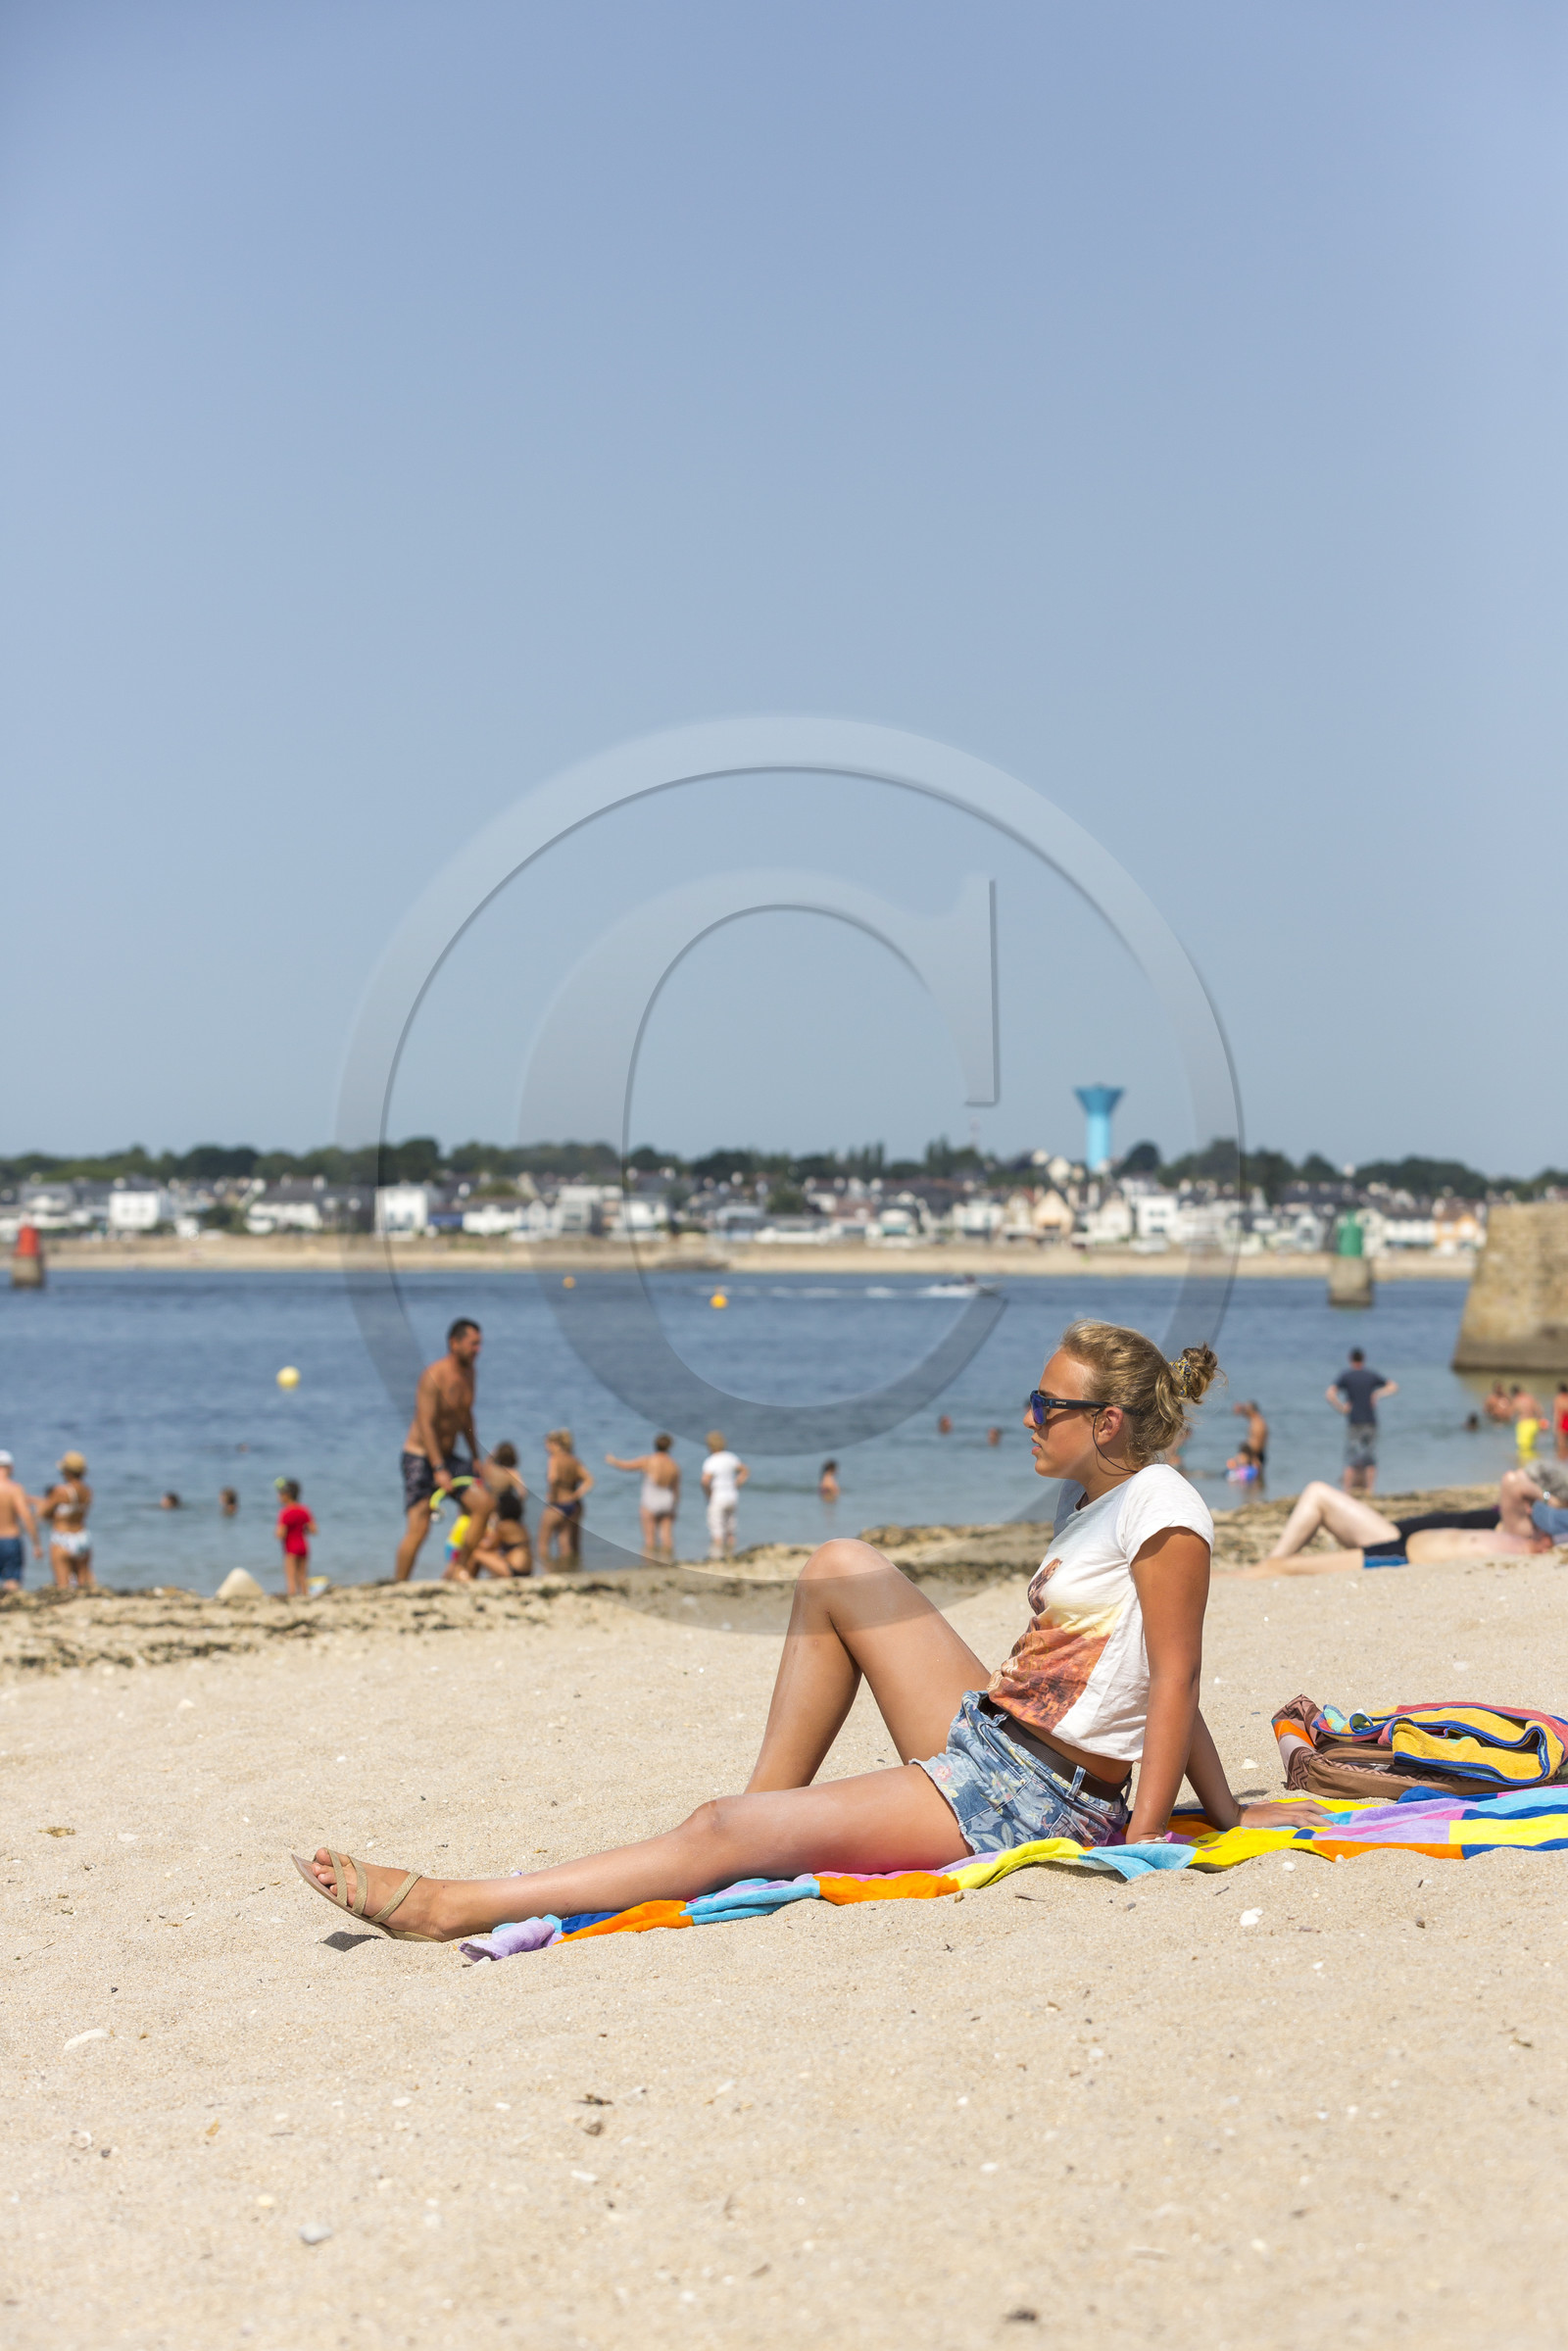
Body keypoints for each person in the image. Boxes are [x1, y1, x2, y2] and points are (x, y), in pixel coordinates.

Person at [293, 1317, 1311, 1944]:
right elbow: (1142, 1674)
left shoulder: (1164, 1504)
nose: (1029, 1413)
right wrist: (1219, 1808)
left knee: (717, 1827)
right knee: (839, 1567)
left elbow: (1177, 1678)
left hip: (1037, 1795)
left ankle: (461, 1902)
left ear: (1107, 1423)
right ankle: (753, 1825)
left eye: (1048, 1402)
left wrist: (1148, 1843)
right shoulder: (1091, 1502)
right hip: (997, 1742)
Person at [1239, 1466, 1551, 1576]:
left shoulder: (1521, 1529)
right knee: (1317, 1494)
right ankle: (1270, 1565)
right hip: (1394, 1533)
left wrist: (1553, 1496)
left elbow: (1513, 1481)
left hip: (1394, 1542)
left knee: (1318, 1493)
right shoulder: (1517, 1522)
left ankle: (1268, 1566)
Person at [395, 1319, 483, 1582]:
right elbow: (425, 1424)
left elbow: (466, 1417)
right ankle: (399, 1585)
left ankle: (459, 1569)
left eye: (480, 1344)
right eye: (473, 1343)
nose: (478, 1349)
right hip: (421, 1457)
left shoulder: (470, 1374)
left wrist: (475, 1457)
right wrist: (439, 1468)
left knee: (484, 1505)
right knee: (419, 1526)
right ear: (454, 1343)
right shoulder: (434, 1375)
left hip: (448, 1458)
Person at [1328, 1347, 1396, 1494]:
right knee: (1370, 1456)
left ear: (1350, 1359)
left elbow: (1329, 1394)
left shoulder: (1346, 1376)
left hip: (1354, 1422)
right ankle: (1370, 1490)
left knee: (1351, 1457)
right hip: (1370, 1422)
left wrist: (1341, 1408)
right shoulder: (1371, 1375)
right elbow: (1393, 1386)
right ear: (1363, 1359)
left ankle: (1346, 1490)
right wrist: (1378, 1393)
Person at [604, 1434, 680, 1560]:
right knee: (667, 1537)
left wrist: (613, 1461)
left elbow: (627, 1466)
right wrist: (674, 1507)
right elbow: (676, 1490)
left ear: (655, 1445)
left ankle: (649, 1564)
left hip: (651, 1500)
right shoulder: (673, 1465)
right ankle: (669, 1563)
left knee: (650, 1539)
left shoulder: (648, 1461)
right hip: (667, 1500)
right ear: (670, 1447)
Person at [38, 1452, 94, 1592]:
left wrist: (40, 1503)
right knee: (82, 1582)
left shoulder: (61, 1491)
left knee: (63, 1585)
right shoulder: (87, 1491)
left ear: (67, 1471)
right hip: (82, 1536)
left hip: (63, 1537)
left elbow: (43, 1514)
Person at [539, 1431, 592, 1567]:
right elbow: (589, 1480)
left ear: (554, 1444)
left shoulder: (554, 1459)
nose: (546, 1448)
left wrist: (552, 1495)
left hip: (558, 1504)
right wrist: (576, 1494)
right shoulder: (573, 1460)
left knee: (543, 1543)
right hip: (573, 1505)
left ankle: (547, 1571)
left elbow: (553, 1478)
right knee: (565, 1542)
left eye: (547, 1444)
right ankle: (569, 1570)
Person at [702, 1432, 748, 1558]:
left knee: (717, 1530)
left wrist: (708, 1494)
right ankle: (731, 1555)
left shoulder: (711, 1461)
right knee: (731, 1529)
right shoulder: (730, 1457)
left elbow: (705, 1480)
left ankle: (718, 1556)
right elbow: (744, 1470)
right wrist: (737, 1483)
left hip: (718, 1497)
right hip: (732, 1496)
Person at [0, 1452, 41, 1590]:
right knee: (12, 1582)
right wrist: (36, 1544)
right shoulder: (14, 1489)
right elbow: (26, 1516)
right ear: (10, 1467)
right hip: (10, 1540)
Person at [274, 1479, 316, 1599]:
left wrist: (280, 1532)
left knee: (291, 1576)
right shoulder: (304, 1510)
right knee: (303, 1576)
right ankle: (305, 1595)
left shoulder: (285, 1512)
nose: (278, 1497)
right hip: (303, 1546)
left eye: (280, 1494)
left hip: (291, 1548)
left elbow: (280, 1533)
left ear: (287, 1495)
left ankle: (292, 1597)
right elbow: (313, 1530)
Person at [1232, 1399, 1268, 1470]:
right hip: (1255, 1454)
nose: (1246, 1412)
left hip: (1255, 1456)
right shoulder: (1255, 1419)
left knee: (1256, 1479)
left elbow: (1258, 1442)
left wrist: (1254, 1458)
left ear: (1252, 1411)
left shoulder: (1258, 1424)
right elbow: (1246, 1412)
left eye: (1247, 1410)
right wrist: (1241, 1408)